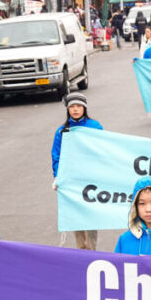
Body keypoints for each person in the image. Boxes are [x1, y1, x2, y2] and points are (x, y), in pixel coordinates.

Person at [52, 93, 103, 248]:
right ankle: (81, 249)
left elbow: (104, 150)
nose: (75, 110)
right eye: (72, 107)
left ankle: (92, 249)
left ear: (84, 108)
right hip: (72, 180)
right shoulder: (62, 131)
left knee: (91, 213)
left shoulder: (95, 126)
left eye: (78, 106)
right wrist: (58, 177)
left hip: (91, 178)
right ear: (68, 109)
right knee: (76, 214)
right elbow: (57, 155)